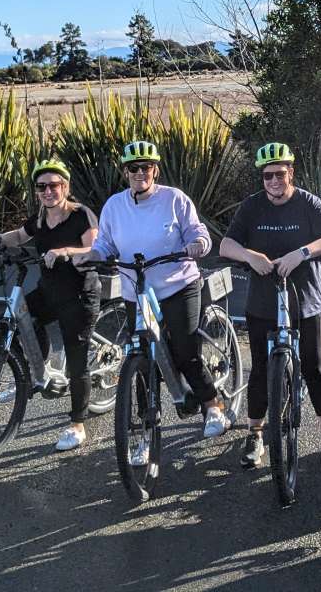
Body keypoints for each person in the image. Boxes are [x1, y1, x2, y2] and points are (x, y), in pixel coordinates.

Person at [67, 140, 229, 454]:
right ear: (125, 172)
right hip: (136, 292)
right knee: (142, 361)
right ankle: (145, 434)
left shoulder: (174, 199)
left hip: (178, 285)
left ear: (154, 169)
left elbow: (199, 233)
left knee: (185, 351)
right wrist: (90, 255)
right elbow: (107, 246)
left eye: (146, 167)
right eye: (133, 168)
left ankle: (213, 405)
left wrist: (197, 244)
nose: (140, 173)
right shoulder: (115, 205)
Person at [219, 142, 321, 469]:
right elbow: (226, 245)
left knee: (314, 367)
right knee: (260, 368)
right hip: (262, 299)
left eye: (279, 173)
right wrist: (249, 255)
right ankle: (255, 434)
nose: (274, 180)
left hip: (304, 298)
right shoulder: (252, 206)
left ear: (291, 172)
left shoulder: (308, 202)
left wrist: (302, 253)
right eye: (267, 176)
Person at [0, 158, 101, 452]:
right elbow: (20, 236)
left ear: (65, 187)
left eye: (54, 185)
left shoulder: (81, 215)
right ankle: (42, 368)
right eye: (41, 187)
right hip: (49, 291)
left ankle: (77, 425)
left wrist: (66, 251)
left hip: (79, 294)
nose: (48, 191)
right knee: (21, 320)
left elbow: (95, 249)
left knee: (76, 359)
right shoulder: (41, 218)